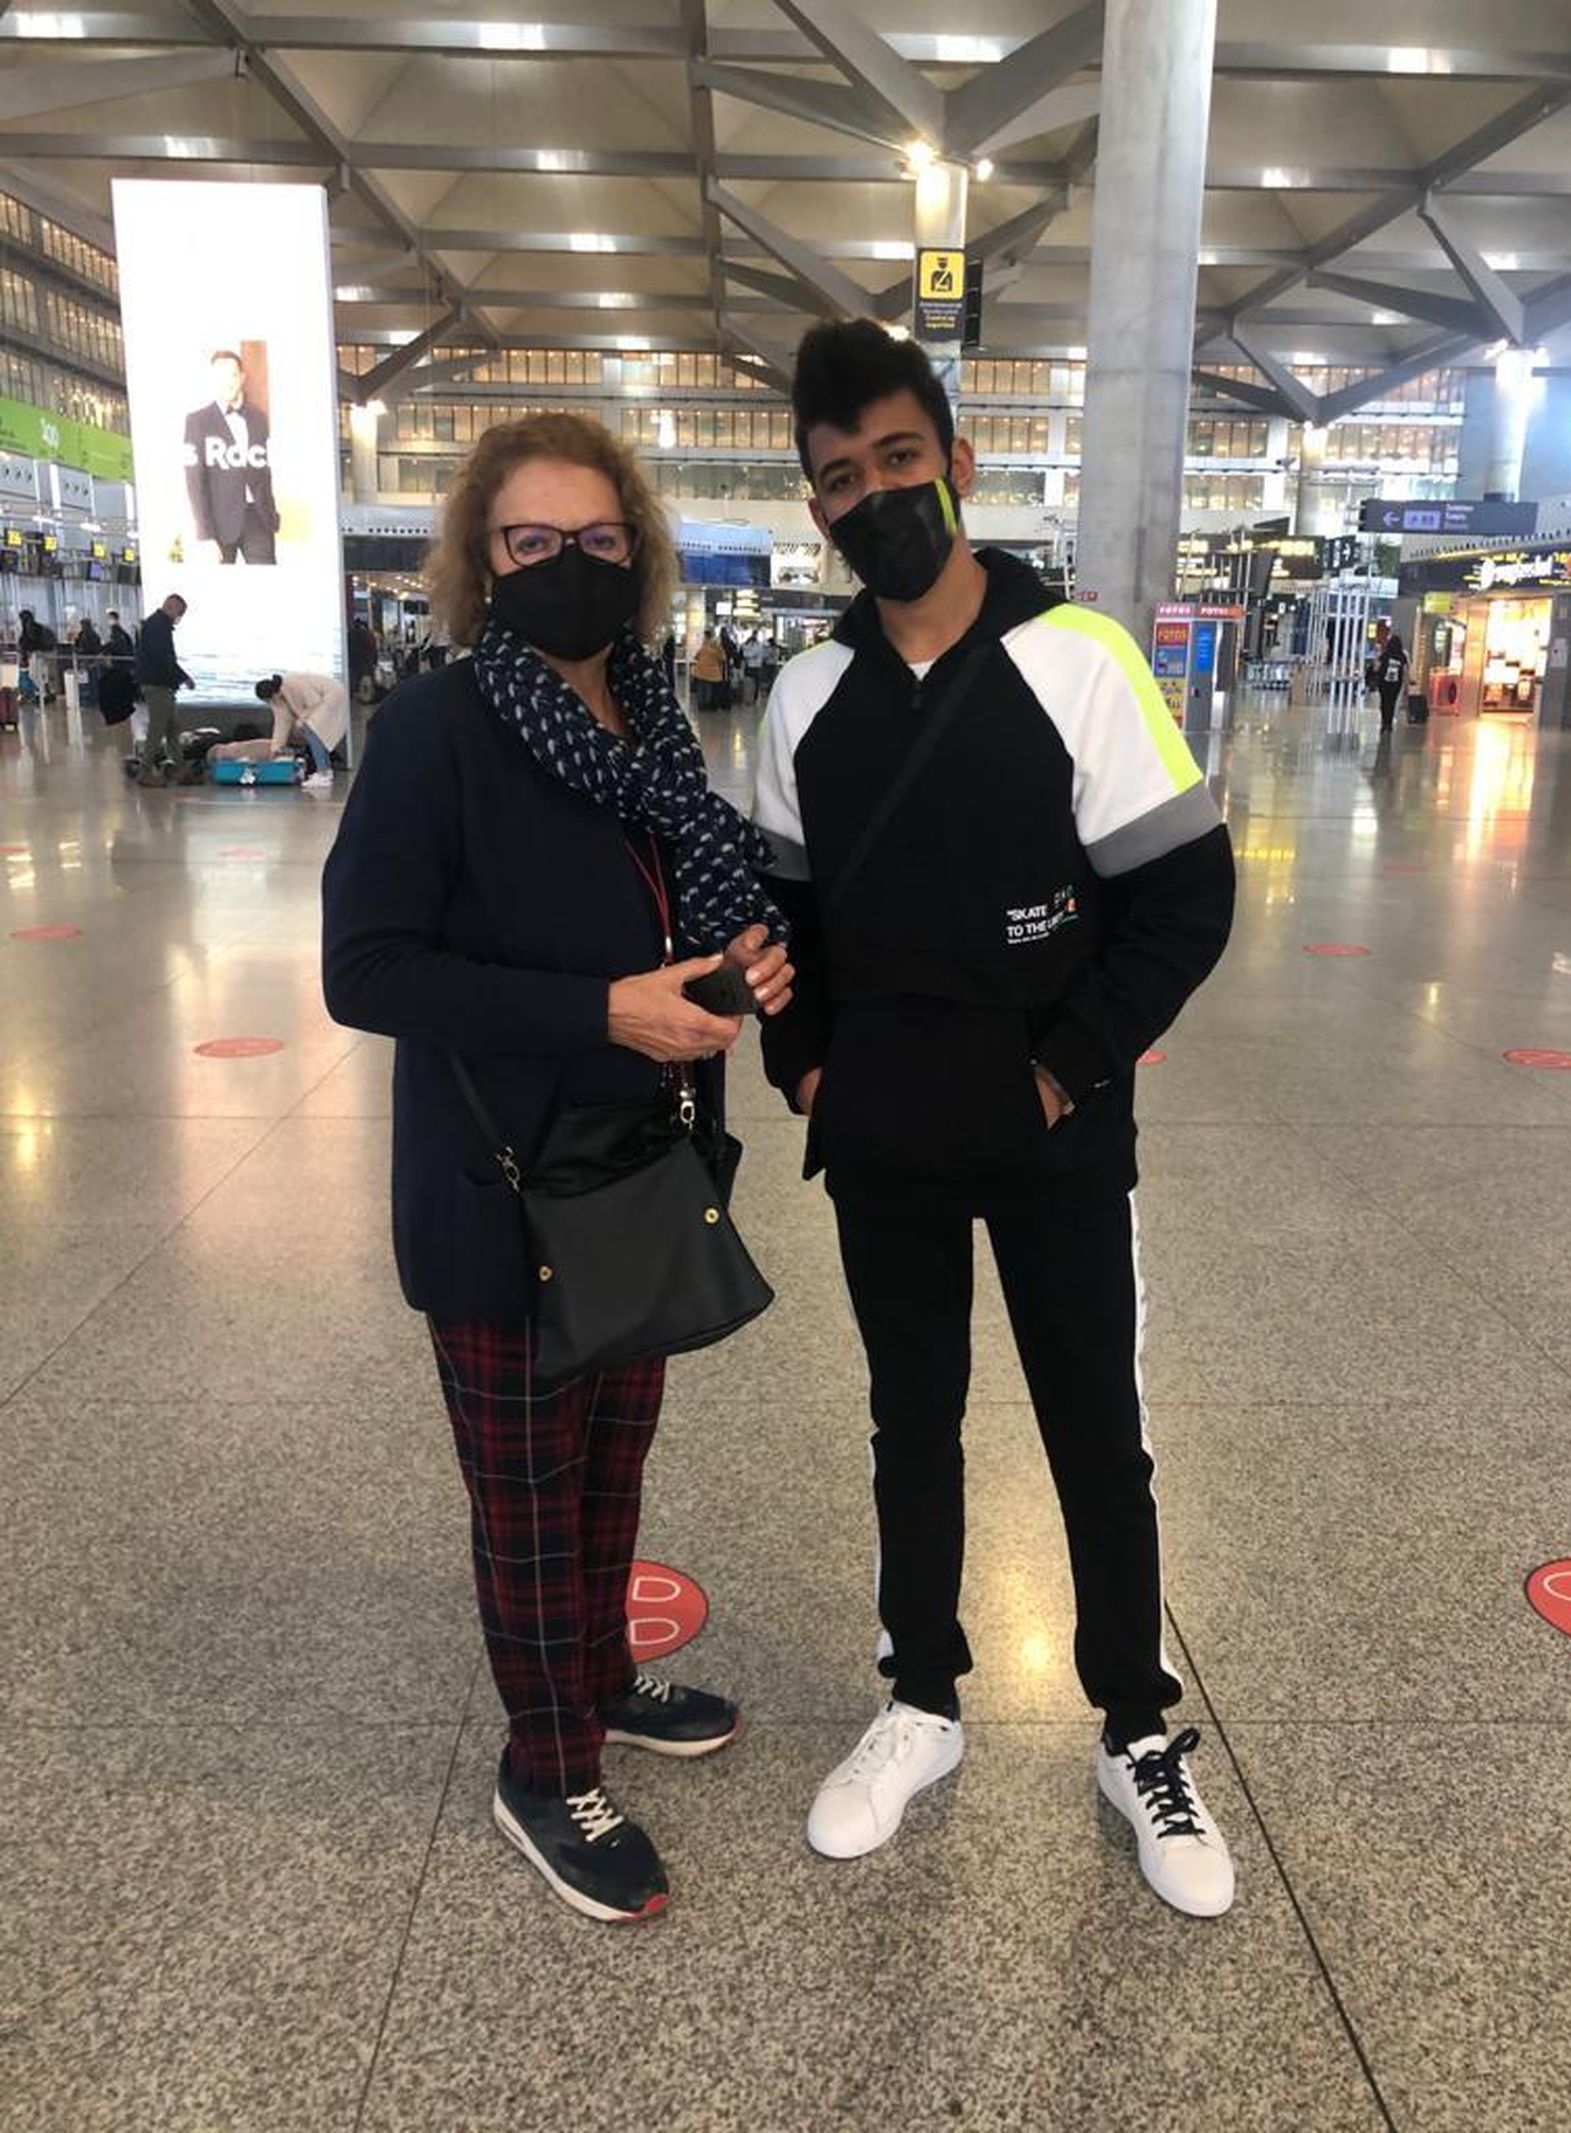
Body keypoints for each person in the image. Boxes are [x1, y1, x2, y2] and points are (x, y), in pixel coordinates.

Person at [753, 319, 1239, 1919]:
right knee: (912, 1421)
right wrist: (808, 1068)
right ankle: (922, 1699)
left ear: (956, 464)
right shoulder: (805, 698)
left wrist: (1065, 1066)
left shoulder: (1077, 659)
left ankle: (1135, 1721)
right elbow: (780, 923)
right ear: (816, 507)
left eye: (899, 460)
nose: (874, 495)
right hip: (882, 1136)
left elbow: (1183, 895)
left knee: (1097, 1422)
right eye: (840, 478)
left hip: (1055, 1134)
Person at [322, 411, 795, 1926]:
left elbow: (660, 911)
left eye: (598, 542)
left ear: (639, 558)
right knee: (526, 1494)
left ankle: (596, 1677)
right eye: (532, 542)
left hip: (632, 1175)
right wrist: (601, 1008)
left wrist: (735, 967)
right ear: (481, 562)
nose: (568, 567)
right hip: (498, 1189)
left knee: (609, 1465)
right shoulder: (437, 731)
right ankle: (546, 1761)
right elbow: (368, 967)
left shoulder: (650, 725)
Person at [183, 349, 279, 565]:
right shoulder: (197, 421)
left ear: (242, 378)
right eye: (220, 376)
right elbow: (194, 481)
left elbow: (264, 471)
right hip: (219, 520)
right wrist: (205, 533)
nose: (227, 382)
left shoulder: (257, 418)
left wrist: (271, 514)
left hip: (257, 517)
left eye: (232, 375)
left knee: (268, 587)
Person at [134, 594, 194, 786]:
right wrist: (183, 677)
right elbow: (164, 658)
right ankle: (144, 772)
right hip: (158, 685)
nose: (180, 617)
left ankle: (181, 769)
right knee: (158, 729)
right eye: (180, 613)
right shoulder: (158, 626)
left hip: (162, 685)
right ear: (171, 607)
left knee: (172, 727)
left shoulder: (157, 625)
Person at [255, 670, 349, 788]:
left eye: (270, 699)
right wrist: (275, 749)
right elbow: (281, 724)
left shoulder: (293, 684)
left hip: (332, 694)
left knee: (312, 729)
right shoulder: (277, 700)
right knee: (313, 731)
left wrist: (303, 718)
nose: (271, 702)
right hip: (321, 701)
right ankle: (326, 771)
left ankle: (323, 773)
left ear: (274, 693)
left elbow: (315, 701)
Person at [1370, 621, 1409, 736]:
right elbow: (1405, 671)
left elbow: (1376, 667)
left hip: (1384, 682)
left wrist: (1376, 658)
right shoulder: (1402, 656)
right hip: (1396, 684)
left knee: (1384, 702)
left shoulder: (1385, 654)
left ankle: (1384, 722)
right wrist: (1407, 685)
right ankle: (1389, 723)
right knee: (1392, 702)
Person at [690, 629, 725, 713]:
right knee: (708, 689)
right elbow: (722, 658)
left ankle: (701, 705)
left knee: (701, 688)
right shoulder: (716, 647)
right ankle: (706, 705)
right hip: (712, 672)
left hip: (701, 670)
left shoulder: (703, 647)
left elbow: (696, 657)